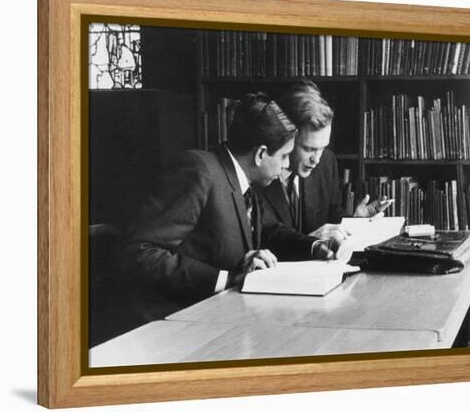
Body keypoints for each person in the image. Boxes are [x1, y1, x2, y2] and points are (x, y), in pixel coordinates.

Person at [124, 93, 345, 317]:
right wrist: (227, 278)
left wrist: (315, 247)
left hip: (223, 315)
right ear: (260, 154)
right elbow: (140, 252)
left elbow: (271, 231)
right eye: (284, 156)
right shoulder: (198, 171)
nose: (287, 165)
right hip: (177, 321)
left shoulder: (247, 182)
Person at [261, 80, 393, 242]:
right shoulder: (260, 173)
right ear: (287, 138)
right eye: (309, 149)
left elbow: (333, 216)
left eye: (322, 148)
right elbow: (265, 241)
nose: (316, 159)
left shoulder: (326, 162)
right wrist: (310, 243)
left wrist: (356, 221)